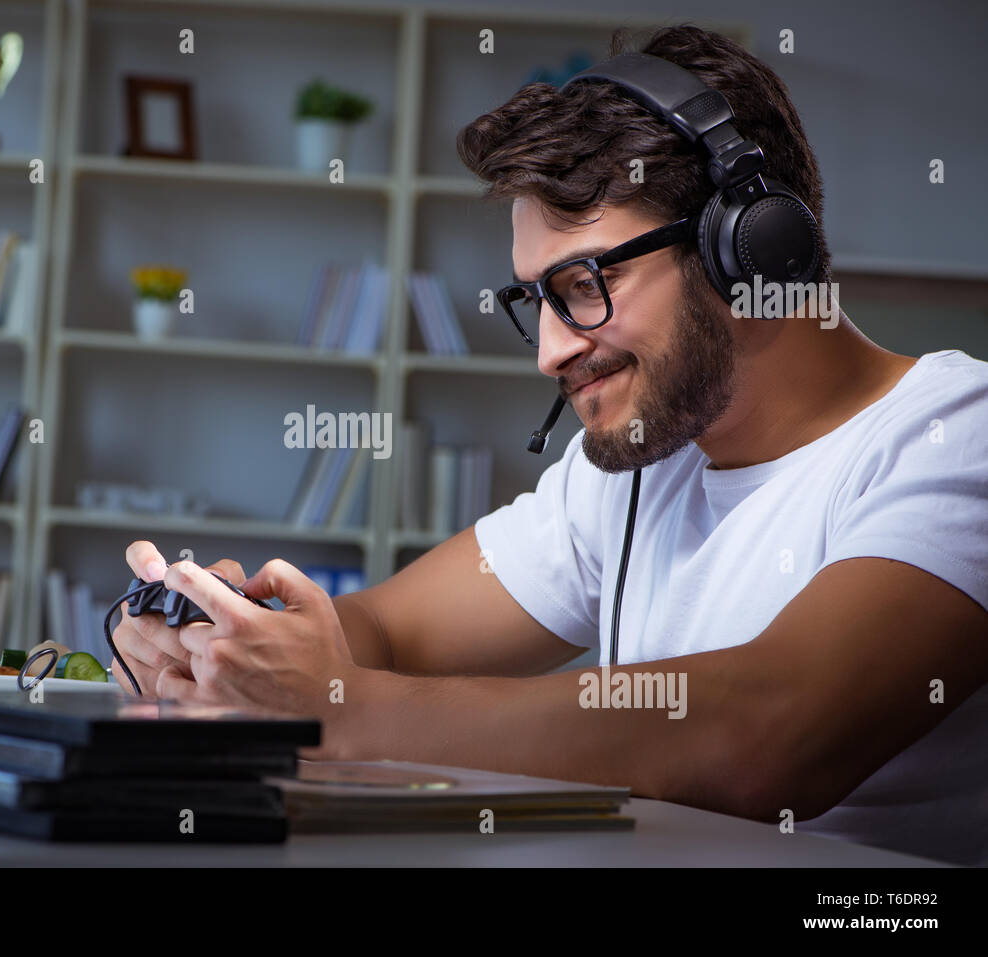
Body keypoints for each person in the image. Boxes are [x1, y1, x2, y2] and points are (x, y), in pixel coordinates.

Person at [112, 25, 988, 865]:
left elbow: (768, 729)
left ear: (754, 252)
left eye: (585, 284)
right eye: (538, 299)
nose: (551, 350)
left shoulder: (953, 438)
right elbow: (385, 631)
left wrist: (341, 707)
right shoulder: (642, 464)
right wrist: (225, 637)